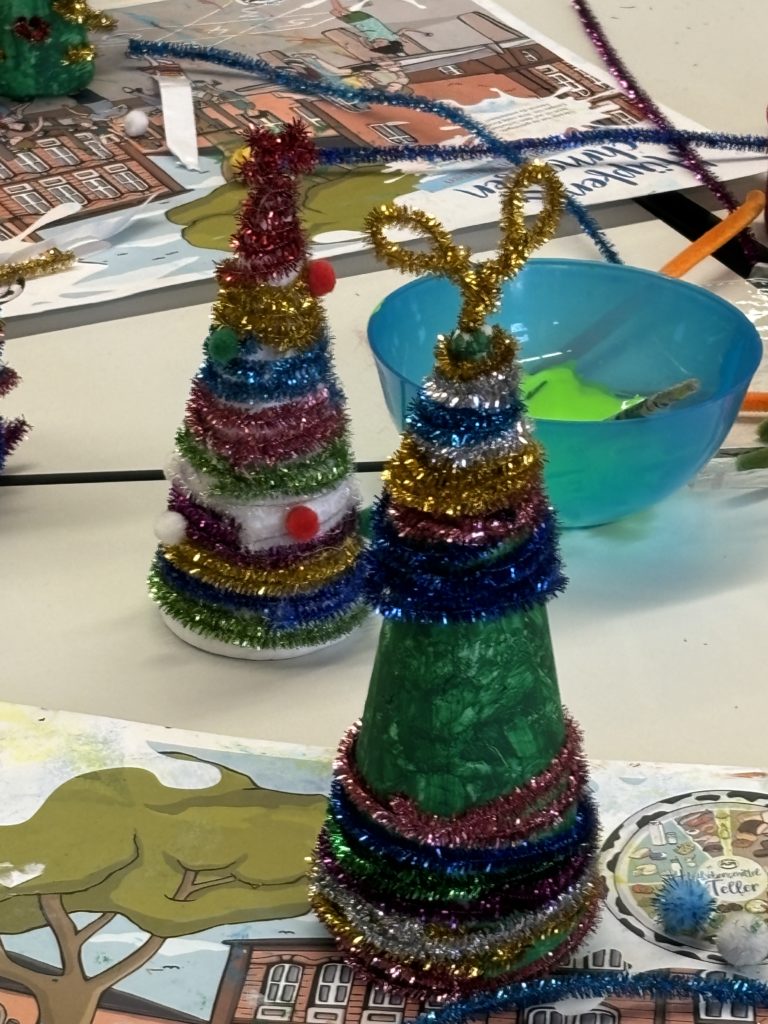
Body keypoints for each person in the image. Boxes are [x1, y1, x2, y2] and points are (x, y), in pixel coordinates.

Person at [328, 0, 406, 57]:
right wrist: (404, 36)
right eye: (380, 45)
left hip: (355, 24)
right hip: (365, 20)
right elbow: (404, 30)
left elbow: (361, 38)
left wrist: (368, 46)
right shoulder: (391, 37)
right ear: (389, 43)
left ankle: (360, 5)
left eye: (376, 46)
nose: (377, 45)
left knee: (333, 12)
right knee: (339, 9)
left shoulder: (371, 40)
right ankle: (357, 6)